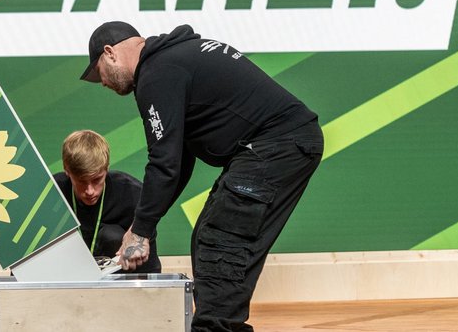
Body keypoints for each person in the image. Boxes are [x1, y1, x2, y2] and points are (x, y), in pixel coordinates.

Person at [81, 22, 323, 332]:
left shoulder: (156, 74)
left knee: (219, 240)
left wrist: (139, 232)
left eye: (98, 72)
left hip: (278, 144)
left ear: (110, 53)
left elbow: (164, 162)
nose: (101, 83)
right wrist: (141, 227)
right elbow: (178, 162)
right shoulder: (172, 61)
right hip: (281, 144)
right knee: (209, 237)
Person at [53, 130, 161, 274]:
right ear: (67, 170)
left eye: (97, 179)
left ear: (107, 167)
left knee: (112, 236)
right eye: (81, 181)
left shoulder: (133, 194)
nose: (90, 191)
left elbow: (150, 269)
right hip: (64, 277)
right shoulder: (50, 195)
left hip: (118, 284)